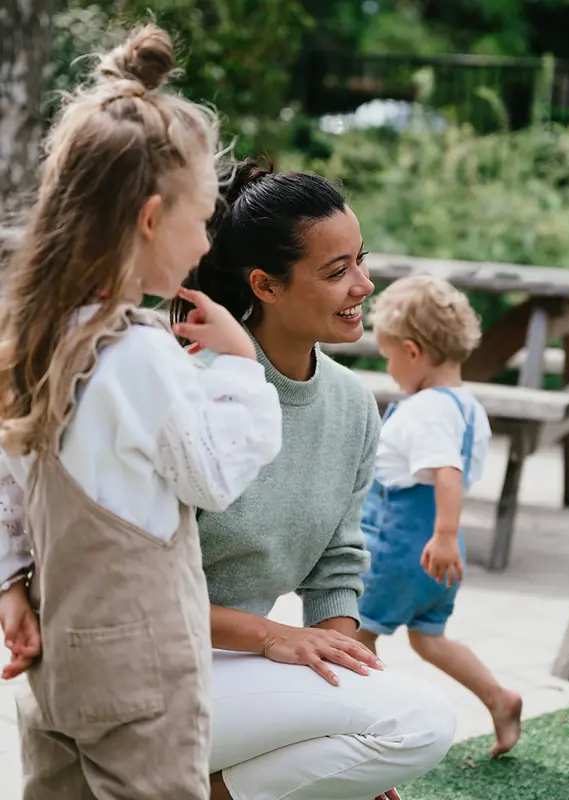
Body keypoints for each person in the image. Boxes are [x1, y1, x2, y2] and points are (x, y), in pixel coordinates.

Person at [0, 25, 282, 799]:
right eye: (199, 222)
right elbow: (215, 476)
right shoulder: (142, 355)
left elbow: (7, 486)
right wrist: (239, 368)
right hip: (145, 670)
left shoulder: (36, 339)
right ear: (151, 220)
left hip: (57, 659)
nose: (202, 247)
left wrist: (8, 588)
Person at [170, 160, 456, 800]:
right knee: (424, 723)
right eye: (337, 272)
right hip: (151, 674)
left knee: (398, 729)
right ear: (265, 286)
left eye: (360, 259)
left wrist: (348, 735)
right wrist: (280, 641)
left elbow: (337, 565)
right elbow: (144, 589)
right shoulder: (194, 387)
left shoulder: (354, 406)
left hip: (239, 675)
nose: (364, 283)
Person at [352, 275, 523, 760]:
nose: (388, 368)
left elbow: (446, 471)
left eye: (387, 356)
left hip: (404, 547)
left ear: (412, 351)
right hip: (440, 553)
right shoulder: (468, 406)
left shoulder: (426, 410)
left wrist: (443, 534)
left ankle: (374, 725)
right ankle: (498, 697)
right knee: (429, 639)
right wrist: (447, 537)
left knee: (353, 637)